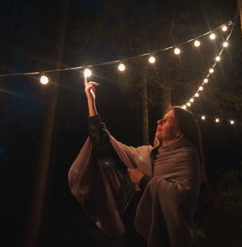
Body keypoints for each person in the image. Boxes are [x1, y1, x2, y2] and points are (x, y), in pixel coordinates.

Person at [68, 77, 207, 247]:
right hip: (131, 237)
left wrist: (144, 180)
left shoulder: (188, 156)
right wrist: (91, 102)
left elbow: (180, 196)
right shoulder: (146, 154)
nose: (159, 121)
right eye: (161, 118)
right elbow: (105, 146)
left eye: (167, 120)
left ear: (179, 132)